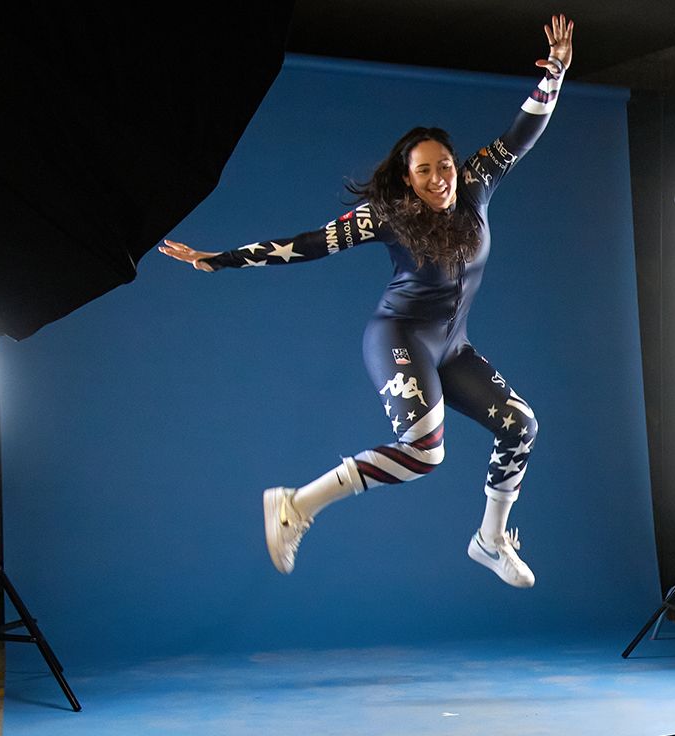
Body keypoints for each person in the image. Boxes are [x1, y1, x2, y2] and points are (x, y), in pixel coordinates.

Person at [159, 16, 575, 588]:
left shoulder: (477, 185)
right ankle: (296, 504)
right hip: (398, 338)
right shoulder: (386, 216)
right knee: (427, 454)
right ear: (407, 180)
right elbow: (307, 245)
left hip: (452, 347)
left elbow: (523, 132)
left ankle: (490, 540)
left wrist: (552, 75)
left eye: (444, 166)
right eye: (424, 170)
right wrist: (219, 257)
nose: (439, 178)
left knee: (521, 426)